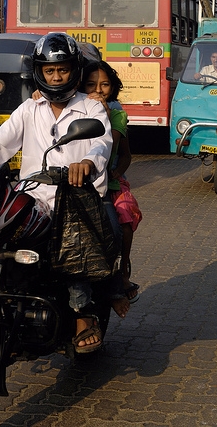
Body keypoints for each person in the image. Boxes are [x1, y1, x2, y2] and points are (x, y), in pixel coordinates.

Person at [0, 33, 113, 353]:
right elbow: (0, 143)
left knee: (72, 237)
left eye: (62, 69)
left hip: (73, 195)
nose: (57, 76)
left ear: (73, 70)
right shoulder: (30, 108)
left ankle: (82, 313)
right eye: (50, 71)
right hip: (32, 194)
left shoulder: (90, 107)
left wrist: (88, 162)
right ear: (40, 73)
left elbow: (103, 143)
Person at [82, 61, 143, 311]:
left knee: (124, 220)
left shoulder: (116, 115)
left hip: (110, 182)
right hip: (76, 181)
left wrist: (118, 172)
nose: (98, 89)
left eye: (104, 84)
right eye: (91, 85)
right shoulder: (71, 109)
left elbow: (116, 149)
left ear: (113, 88)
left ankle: (122, 272)